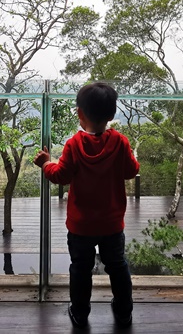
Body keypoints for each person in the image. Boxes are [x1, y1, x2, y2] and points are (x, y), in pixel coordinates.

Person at [34, 82, 140, 329]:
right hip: (112, 223)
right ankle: (124, 311)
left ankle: (80, 313)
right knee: (117, 265)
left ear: (80, 114)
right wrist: (133, 157)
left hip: (81, 226)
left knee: (81, 268)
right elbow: (130, 171)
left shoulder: (74, 145)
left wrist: (46, 164)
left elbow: (61, 176)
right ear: (112, 115)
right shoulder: (120, 142)